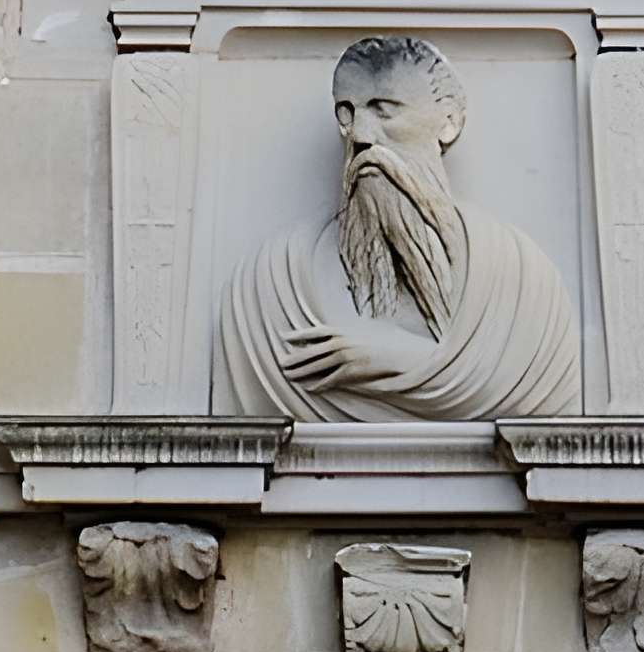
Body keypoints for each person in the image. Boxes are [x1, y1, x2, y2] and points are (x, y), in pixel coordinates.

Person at [215, 32, 582, 420]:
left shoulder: (524, 288)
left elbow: (521, 389)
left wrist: (404, 360)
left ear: (448, 124)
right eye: (346, 114)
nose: (359, 136)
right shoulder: (271, 288)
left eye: (384, 110)